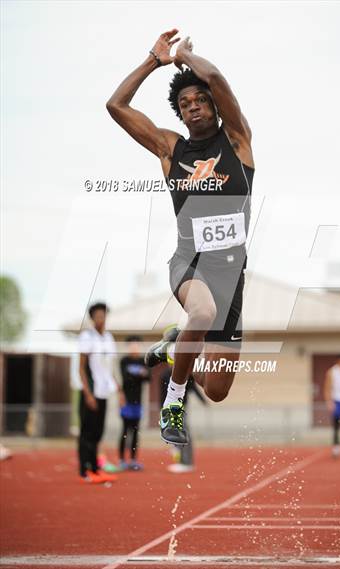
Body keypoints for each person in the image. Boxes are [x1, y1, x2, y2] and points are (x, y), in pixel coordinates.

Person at [107, 29, 254, 446]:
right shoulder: (172, 150)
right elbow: (116, 106)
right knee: (203, 314)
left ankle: (178, 344)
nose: (193, 108)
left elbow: (221, 82)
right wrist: (153, 61)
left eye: (200, 100)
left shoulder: (237, 144)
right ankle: (173, 401)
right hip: (189, 265)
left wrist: (186, 56)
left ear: (214, 105)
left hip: (231, 278)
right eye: (185, 104)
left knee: (216, 389)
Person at [78, 302, 122, 483]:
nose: (101, 318)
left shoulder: (109, 338)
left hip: (104, 392)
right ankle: (85, 470)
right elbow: (81, 368)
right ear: (92, 318)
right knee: (87, 433)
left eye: (103, 315)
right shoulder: (87, 337)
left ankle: (96, 468)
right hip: (91, 393)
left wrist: (119, 390)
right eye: (97, 315)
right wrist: (88, 394)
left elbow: (109, 367)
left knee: (98, 433)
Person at [160, 362, 208, 473]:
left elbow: (193, 389)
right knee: (176, 434)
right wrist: (162, 410)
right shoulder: (165, 374)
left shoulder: (186, 374)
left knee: (183, 432)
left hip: (181, 408)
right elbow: (162, 394)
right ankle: (182, 460)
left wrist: (203, 401)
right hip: (169, 408)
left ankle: (187, 462)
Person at [119, 335, 150, 470]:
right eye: (132, 345)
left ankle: (133, 460)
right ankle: (121, 460)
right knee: (125, 431)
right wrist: (139, 374)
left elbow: (148, 377)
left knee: (136, 432)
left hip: (138, 402)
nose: (135, 347)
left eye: (137, 345)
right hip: (126, 402)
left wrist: (139, 375)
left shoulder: (143, 361)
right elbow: (126, 379)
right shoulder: (124, 361)